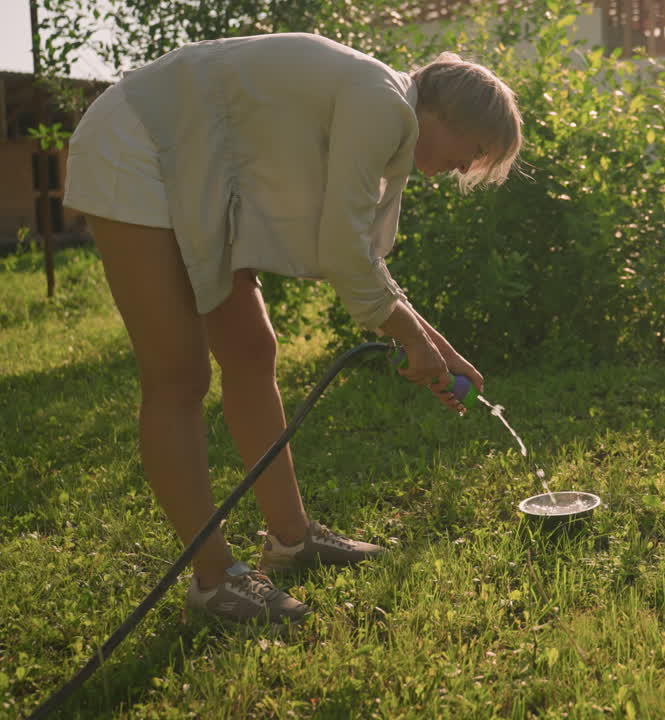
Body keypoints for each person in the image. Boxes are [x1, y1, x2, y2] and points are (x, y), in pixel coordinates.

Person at [63, 33, 523, 624]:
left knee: (252, 351)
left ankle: (291, 539)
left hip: (196, 168)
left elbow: (357, 255)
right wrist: (411, 337)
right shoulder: (383, 103)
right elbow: (344, 251)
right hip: (138, 145)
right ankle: (213, 579)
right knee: (177, 374)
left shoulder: (386, 110)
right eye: (477, 149)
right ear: (449, 114)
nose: (468, 167)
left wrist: (433, 343)